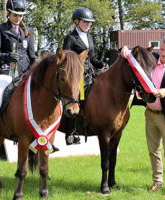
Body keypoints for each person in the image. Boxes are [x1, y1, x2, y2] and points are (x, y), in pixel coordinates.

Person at [122, 35, 165, 196]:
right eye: (162, 50)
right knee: (153, 151)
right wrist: (126, 48)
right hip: (149, 114)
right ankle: (157, 182)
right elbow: (137, 52)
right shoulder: (153, 58)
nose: (164, 54)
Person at [0, 0, 37, 157]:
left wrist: (39, 65)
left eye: (20, 16)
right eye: (15, 15)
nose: (18, 18)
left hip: (25, 73)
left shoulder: (28, 32)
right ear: (8, 13)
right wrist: (8, 56)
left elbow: (32, 55)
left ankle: (41, 141)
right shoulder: (0, 29)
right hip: (6, 71)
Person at [62, 7, 108, 145]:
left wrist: (102, 65)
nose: (88, 24)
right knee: (77, 99)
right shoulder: (70, 38)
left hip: (90, 73)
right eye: (85, 22)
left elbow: (92, 57)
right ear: (76, 21)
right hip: (77, 75)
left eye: (90, 22)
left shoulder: (89, 37)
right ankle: (70, 133)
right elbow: (66, 58)